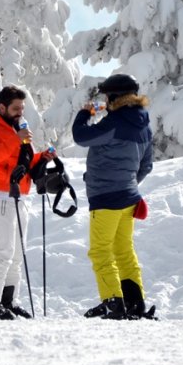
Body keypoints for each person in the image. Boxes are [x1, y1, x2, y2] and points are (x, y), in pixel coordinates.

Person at [72, 73, 154, 320]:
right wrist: (127, 183)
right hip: (128, 198)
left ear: (115, 97)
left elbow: (80, 136)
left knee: (100, 252)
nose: (105, 101)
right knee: (124, 251)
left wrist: (85, 113)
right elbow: (146, 165)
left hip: (106, 199)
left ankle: (113, 303)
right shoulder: (144, 125)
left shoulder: (114, 123)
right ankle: (134, 303)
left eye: (107, 97)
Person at [0, 85, 53, 320]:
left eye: (22, 108)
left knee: (16, 254)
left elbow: (20, 162)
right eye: (16, 108)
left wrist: (42, 157)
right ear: (2, 107)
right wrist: (15, 140)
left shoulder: (16, 127)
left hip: (18, 195)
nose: (20, 113)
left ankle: (8, 301)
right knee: (3, 251)